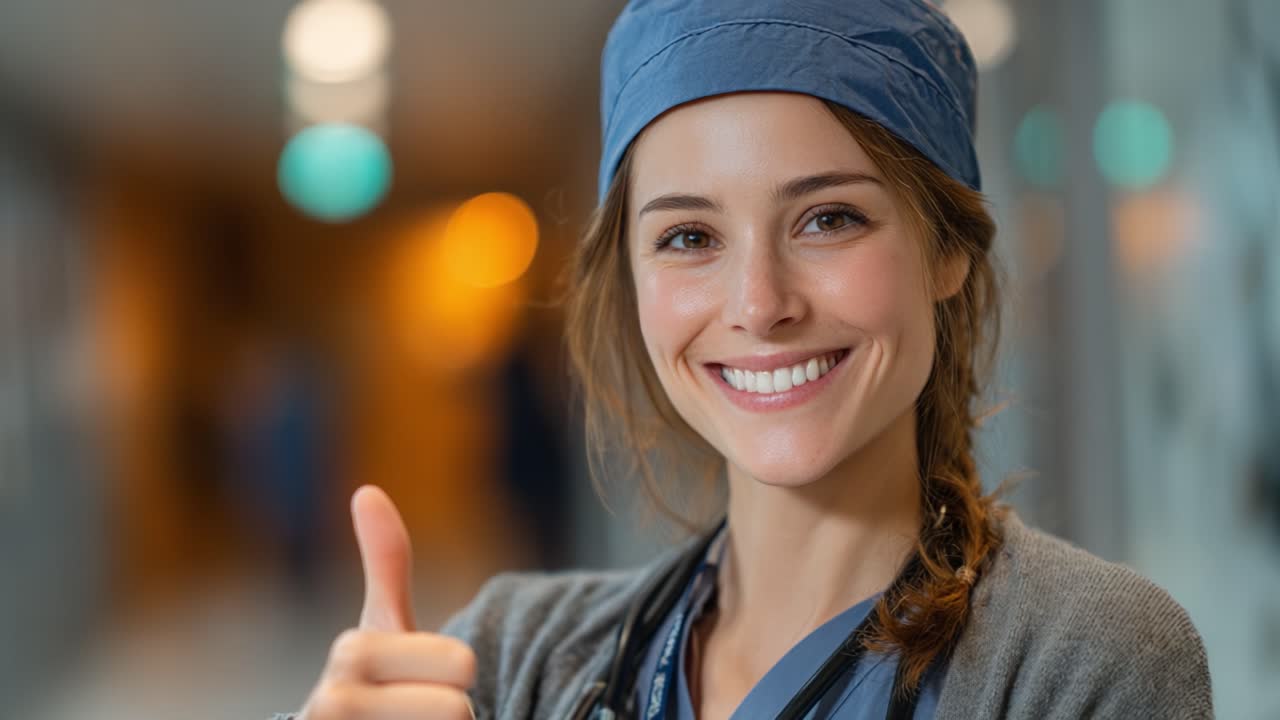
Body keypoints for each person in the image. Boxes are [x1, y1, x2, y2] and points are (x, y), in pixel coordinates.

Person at [278, 1, 1213, 718]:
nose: (760, 305)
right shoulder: (510, 661)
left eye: (829, 218)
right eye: (689, 237)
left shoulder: (1083, 661)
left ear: (946, 251)